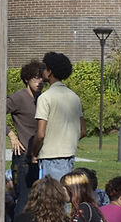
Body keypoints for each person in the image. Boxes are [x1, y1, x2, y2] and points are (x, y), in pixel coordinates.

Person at [31, 52, 86, 181]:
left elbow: (40, 134)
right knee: (65, 196)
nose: (42, 71)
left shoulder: (45, 98)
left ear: (50, 71)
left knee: (52, 198)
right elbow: (83, 131)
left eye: (44, 68)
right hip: (69, 156)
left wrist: (34, 153)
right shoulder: (74, 97)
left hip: (50, 158)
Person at [7, 60, 45, 214]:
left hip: (41, 156)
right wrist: (11, 135)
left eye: (42, 78)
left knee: (37, 201)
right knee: (24, 199)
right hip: (23, 157)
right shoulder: (19, 98)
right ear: (27, 79)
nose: (39, 81)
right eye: (35, 78)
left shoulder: (43, 98)